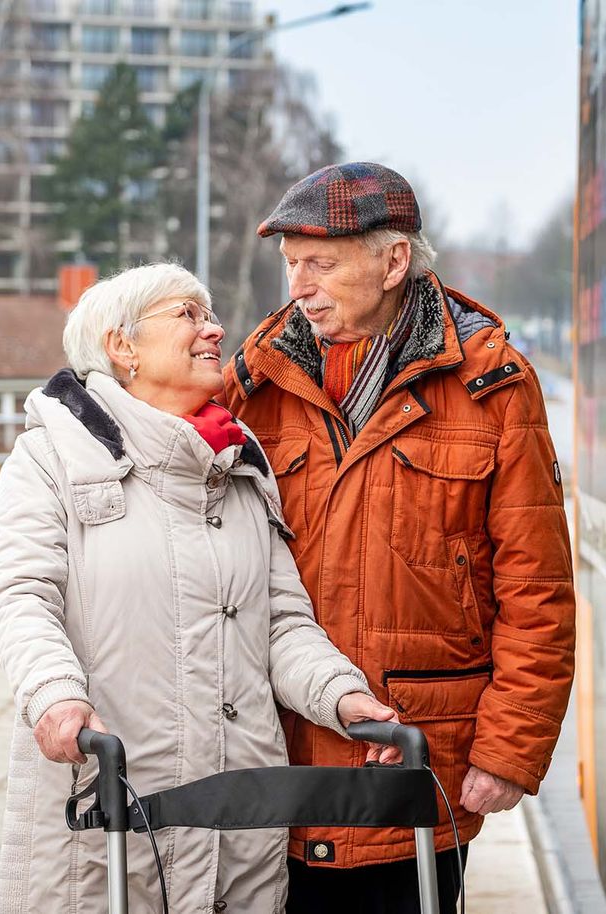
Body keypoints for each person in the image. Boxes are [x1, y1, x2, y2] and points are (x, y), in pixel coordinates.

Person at [0, 262, 399, 913]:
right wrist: (54, 695)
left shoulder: (239, 465)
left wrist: (343, 698)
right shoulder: (52, 456)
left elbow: (283, 624)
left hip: (241, 820)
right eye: (188, 315)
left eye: (210, 315)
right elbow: (19, 596)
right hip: (108, 807)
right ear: (123, 348)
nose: (215, 329)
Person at [223, 162, 576, 912]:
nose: (299, 287)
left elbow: (537, 589)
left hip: (414, 766)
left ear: (393, 262)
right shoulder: (253, 379)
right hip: (273, 757)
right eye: (291, 266)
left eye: (320, 263)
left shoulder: (494, 385)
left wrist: (511, 748)